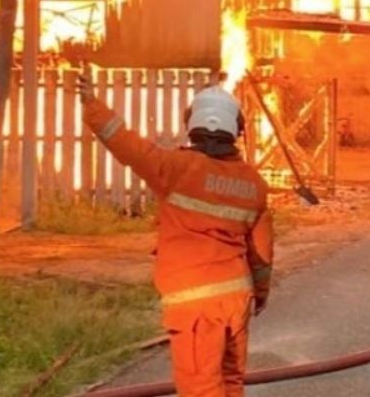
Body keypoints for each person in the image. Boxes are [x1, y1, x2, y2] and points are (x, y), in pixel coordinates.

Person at [74, 74, 273, 397]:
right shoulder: (254, 184)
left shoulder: (175, 168)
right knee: (230, 383)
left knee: (201, 389)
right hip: (237, 299)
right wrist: (260, 294)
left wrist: (93, 106)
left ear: (191, 123)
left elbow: (127, 144)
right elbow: (262, 252)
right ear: (236, 129)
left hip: (196, 306)